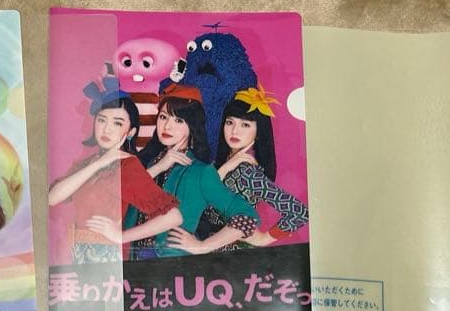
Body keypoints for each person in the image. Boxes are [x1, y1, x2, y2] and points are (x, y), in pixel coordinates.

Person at [47, 84, 182, 262]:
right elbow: (52, 198)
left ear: (131, 132)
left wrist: (121, 236)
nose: (106, 129)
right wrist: (99, 163)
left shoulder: (127, 165)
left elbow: (173, 217)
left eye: (117, 123)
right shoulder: (87, 163)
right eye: (102, 120)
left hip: (105, 257)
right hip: (75, 255)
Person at [128, 85, 261, 258]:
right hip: (132, 259)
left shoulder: (200, 172)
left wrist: (203, 246)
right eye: (163, 117)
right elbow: (122, 198)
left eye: (179, 120)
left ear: (192, 125)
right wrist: (160, 166)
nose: (167, 126)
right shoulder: (150, 163)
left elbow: (247, 217)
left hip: (170, 262)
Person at [196, 87, 309, 247]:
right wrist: (226, 167)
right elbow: (196, 199)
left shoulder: (248, 172)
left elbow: (298, 212)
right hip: (205, 243)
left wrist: (263, 239)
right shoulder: (221, 163)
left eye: (245, 125)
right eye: (230, 122)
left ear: (258, 132)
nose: (234, 131)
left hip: (230, 249)